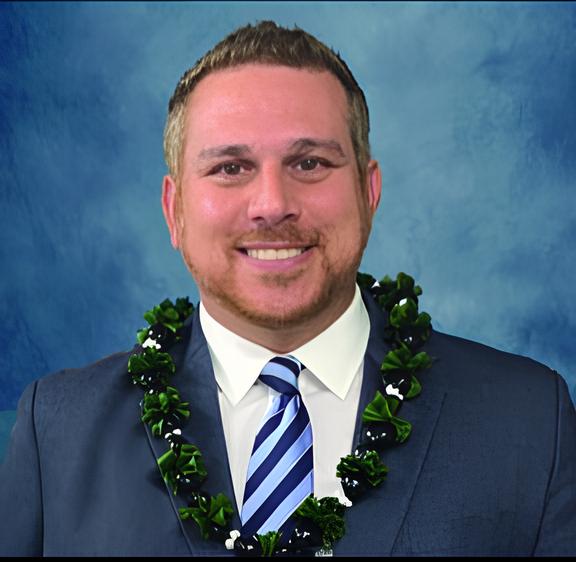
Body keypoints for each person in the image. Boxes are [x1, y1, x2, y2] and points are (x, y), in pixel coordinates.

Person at [1, 20, 575, 557]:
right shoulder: (57, 431)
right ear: (175, 212)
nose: (273, 205)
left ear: (368, 193)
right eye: (230, 168)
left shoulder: (528, 422)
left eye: (310, 163)